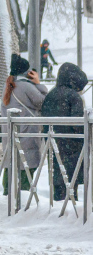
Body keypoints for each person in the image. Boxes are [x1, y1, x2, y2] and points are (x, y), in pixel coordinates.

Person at [39, 62, 88, 203]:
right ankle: (71, 211)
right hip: (72, 146)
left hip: (54, 143)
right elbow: (78, 124)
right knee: (71, 182)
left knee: (59, 181)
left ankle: (59, 209)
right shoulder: (74, 97)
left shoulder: (51, 94)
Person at [1, 53, 47, 195]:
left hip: (10, 133)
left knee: (11, 164)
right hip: (26, 133)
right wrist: (38, 83)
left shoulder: (8, 85)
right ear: (27, 72)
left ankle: (7, 195)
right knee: (26, 166)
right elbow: (43, 102)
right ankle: (25, 198)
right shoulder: (26, 86)